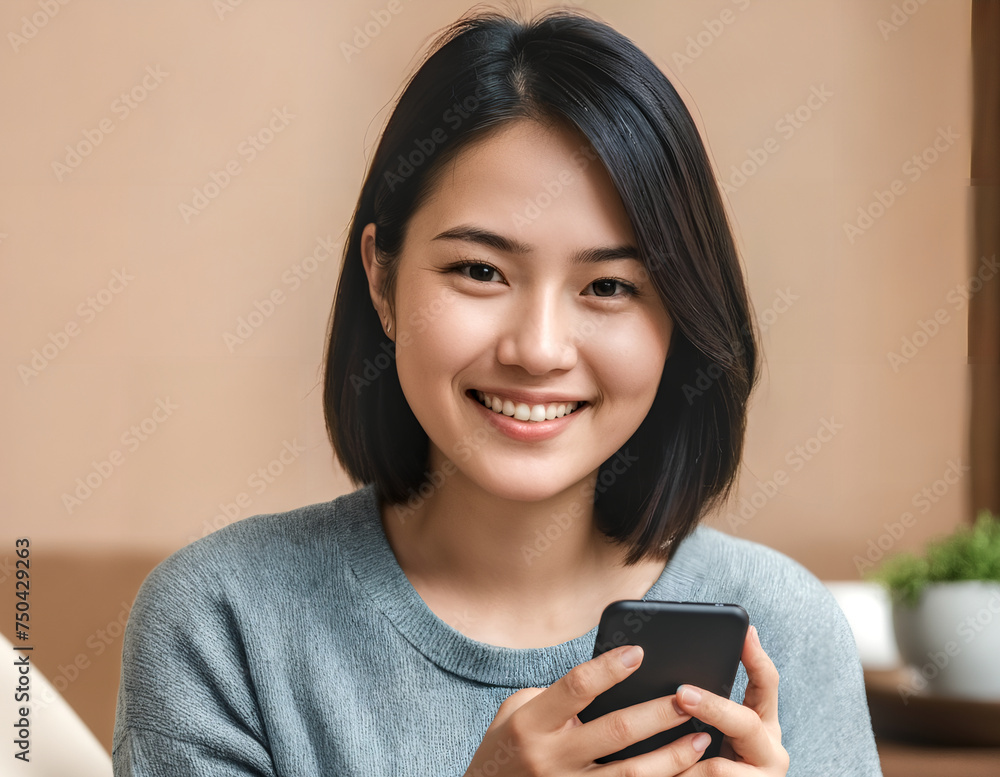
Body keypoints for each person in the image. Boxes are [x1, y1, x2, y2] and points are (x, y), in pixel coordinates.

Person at [112, 7, 883, 776]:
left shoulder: (783, 628)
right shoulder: (222, 622)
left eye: (609, 285)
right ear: (381, 277)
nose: (538, 349)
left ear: (677, 314)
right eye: (480, 271)